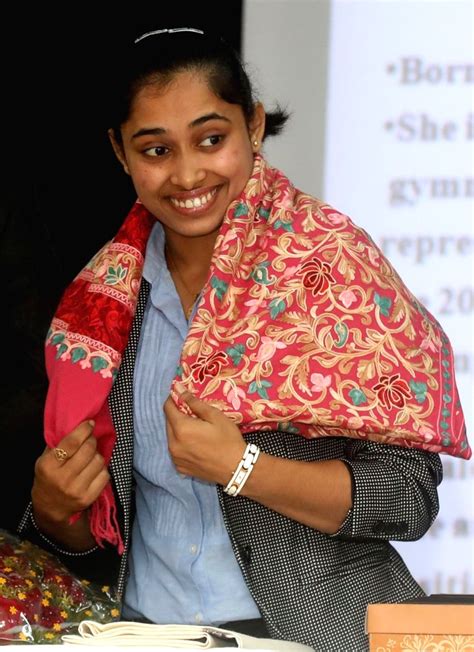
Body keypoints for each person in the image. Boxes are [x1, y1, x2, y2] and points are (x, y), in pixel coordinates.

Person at [18, 27, 467, 652]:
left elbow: (406, 500)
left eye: (211, 139)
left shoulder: (331, 266)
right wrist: (52, 511)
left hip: (320, 637)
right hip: (144, 634)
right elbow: (85, 536)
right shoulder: (100, 307)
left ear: (252, 126)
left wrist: (241, 466)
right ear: (121, 153)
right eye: (155, 150)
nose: (186, 173)